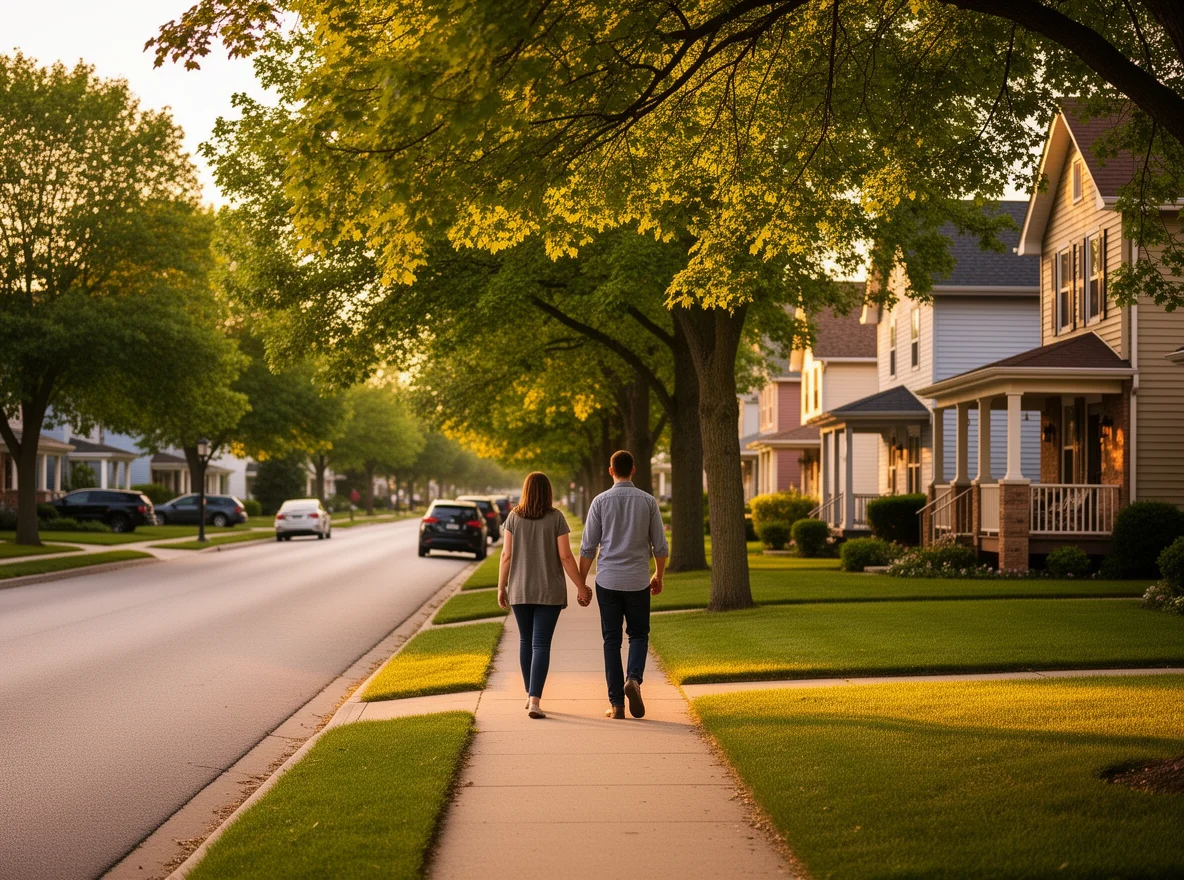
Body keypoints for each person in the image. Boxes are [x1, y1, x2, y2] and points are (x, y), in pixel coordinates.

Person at [578, 450, 668, 720]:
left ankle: (617, 704)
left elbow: (588, 548)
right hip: (638, 580)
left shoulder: (599, 502)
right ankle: (634, 680)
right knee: (639, 635)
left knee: (611, 641)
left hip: (608, 581)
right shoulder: (648, 502)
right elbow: (660, 546)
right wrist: (658, 575)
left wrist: (582, 584)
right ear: (634, 470)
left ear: (610, 470)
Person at [497, 472, 591, 719]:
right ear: (548, 491)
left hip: (520, 589)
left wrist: (501, 587)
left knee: (526, 641)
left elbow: (505, 556)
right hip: (549, 591)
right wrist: (581, 586)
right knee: (541, 644)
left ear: (525, 490)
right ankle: (535, 699)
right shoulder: (556, 518)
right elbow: (565, 556)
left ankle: (530, 695)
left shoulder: (513, 517)